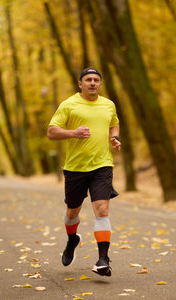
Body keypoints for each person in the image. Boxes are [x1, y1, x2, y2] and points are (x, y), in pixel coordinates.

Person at [47, 67, 121, 277]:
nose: (92, 83)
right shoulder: (69, 104)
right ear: (80, 84)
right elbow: (51, 132)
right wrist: (73, 133)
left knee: (102, 209)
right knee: (72, 213)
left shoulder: (108, 104)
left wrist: (114, 138)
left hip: (102, 165)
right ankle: (72, 240)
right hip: (75, 167)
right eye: (88, 79)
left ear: (100, 83)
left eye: (96, 79)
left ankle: (103, 259)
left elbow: (114, 124)